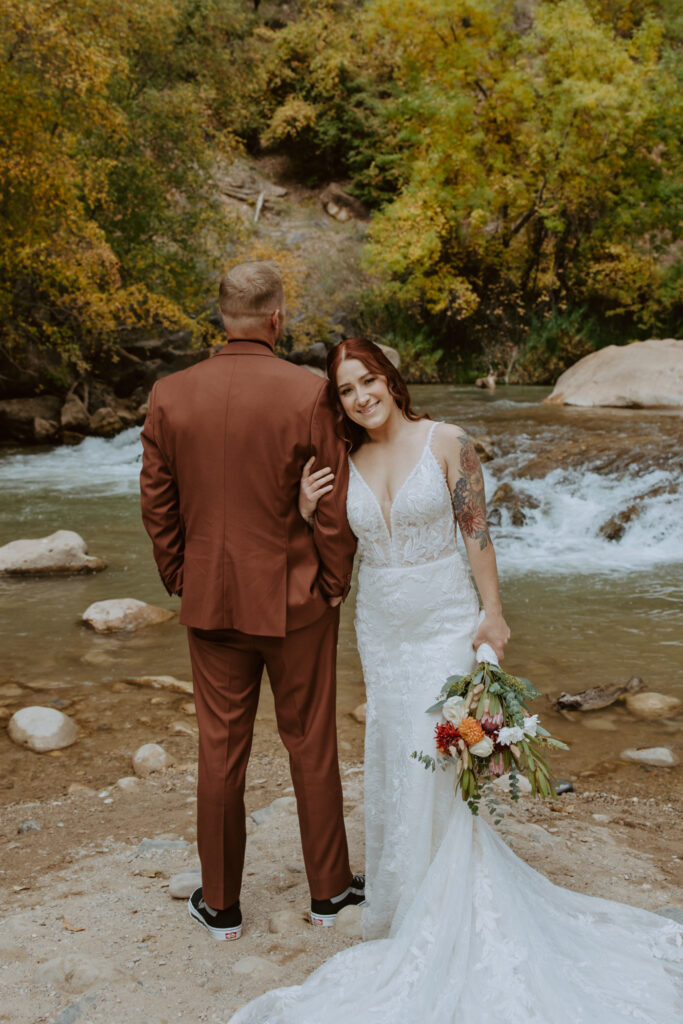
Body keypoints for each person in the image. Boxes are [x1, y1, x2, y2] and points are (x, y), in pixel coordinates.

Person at [226, 338, 682, 1022]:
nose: (360, 396)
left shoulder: (447, 441)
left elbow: (477, 535)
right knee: (391, 752)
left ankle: (450, 900)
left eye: (368, 380)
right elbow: (333, 556)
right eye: (346, 389)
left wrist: (491, 614)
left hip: (443, 619)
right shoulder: (341, 463)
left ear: (390, 378)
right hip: (379, 626)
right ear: (339, 402)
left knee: (437, 755)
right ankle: (406, 898)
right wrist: (299, 509)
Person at [139, 263, 364, 942]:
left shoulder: (170, 395)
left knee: (220, 748)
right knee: (310, 742)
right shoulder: (311, 393)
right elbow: (332, 503)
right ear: (275, 318)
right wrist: (331, 583)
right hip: (295, 600)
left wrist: (180, 574)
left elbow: (156, 499)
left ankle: (221, 905)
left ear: (220, 315)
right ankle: (328, 893)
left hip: (211, 601)